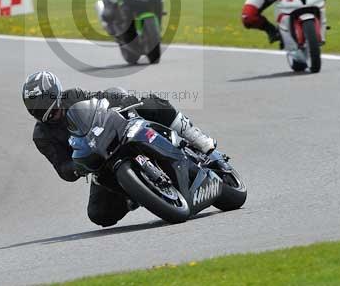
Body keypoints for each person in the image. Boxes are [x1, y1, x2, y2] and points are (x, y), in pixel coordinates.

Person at [22, 70, 215, 227]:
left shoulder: (73, 96)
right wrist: (76, 168)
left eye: (53, 111)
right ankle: (136, 193)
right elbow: (61, 167)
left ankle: (197, 138)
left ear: (58, 96)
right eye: (43, 116)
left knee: (150, 103)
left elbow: (103, 98)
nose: (52, 118)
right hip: (98, 162)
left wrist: (122, 99)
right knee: (99, 215)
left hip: (116, 134)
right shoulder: (42, 136)